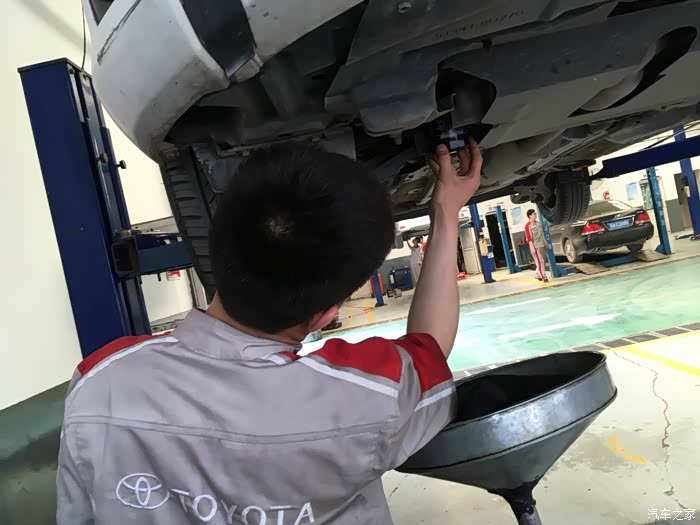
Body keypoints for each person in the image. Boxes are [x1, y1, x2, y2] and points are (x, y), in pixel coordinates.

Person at [57, 141, 482, 525]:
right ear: (326, 313)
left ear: (218, 248)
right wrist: (446, 212)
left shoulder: (100, 382)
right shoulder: (368, 395)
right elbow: (430, 347)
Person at [525, 208, 549, 283]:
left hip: (542, 245)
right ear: (530, 216)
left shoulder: (538, 223)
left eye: (535, 213)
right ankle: (543, 276)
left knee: (543, 261)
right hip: (536, 246)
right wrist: (532, 247)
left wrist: (545, 243)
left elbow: (542, 234)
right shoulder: (528, 226)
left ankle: (538, 274)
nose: (535, 215)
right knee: (540, 261)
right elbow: (529, 238)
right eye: (534, 214)